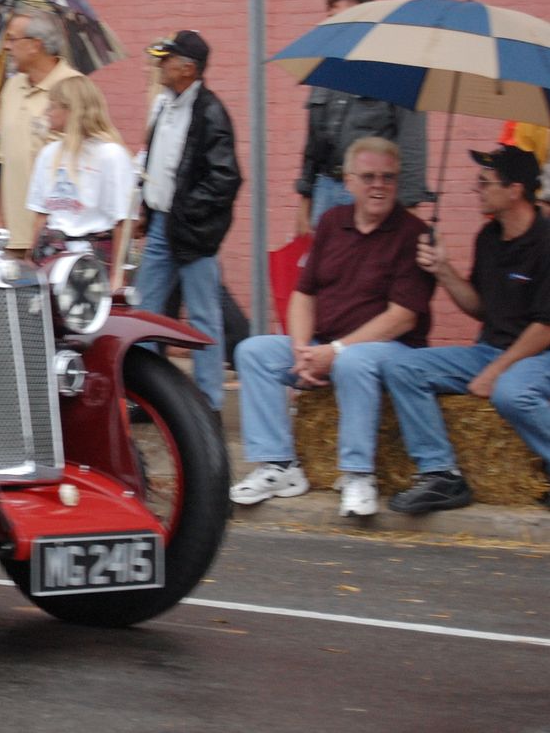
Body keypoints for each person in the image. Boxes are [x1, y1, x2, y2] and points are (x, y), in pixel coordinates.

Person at [229, 137, 436, 517]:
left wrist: (334, 351)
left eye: (388, 177)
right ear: (349, 182)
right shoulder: (331, 222)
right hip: (323, 343)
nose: (379, 185)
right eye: (369, 176)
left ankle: (358, 474)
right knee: (252, 351)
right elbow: (303, 295)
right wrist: (302, 350)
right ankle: (279, 465)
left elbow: (401, 317)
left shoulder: (413, 234)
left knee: (352, 362)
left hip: (391, 349)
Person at [381, 146, 550, 515]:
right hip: (491, 348)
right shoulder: (488, 237)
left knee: (511, 393)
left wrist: (495, 370)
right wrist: (443, 269)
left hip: (539, 354)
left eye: (485, 183)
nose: (477, 190)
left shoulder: (547, 239)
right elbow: (480, 307)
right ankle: (441, 474)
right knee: (402, 367)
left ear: (515, 190)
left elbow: (545, 327)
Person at [136, 30, 242, 415]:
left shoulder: (211, 112)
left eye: (167, 60)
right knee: (144, 312)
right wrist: (146, 208)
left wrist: (187, 212)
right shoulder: (165, 105)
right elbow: (156, 163)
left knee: (202, 316)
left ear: (188, 69)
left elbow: (225, 178)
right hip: (163, 224)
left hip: (193, 232)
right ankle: (144, 396)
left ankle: (210, 402)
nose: (160, 66)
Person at [296, 0, 430, 231]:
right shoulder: (326, 71)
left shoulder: (395, 72)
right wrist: (304, 202)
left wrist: (409, 207)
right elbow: (313, 145)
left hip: (370, 192)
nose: (334, 27)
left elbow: (412, 145)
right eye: (330, 19)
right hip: (326, 189)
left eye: (344, 19)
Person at [26, 75, 134, 292]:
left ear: (71, 110)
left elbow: (123, 221)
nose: (47, 112)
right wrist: (30, 257)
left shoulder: (111, 155)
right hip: (52, 252)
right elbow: (41, 214)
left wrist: (117, 275)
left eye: (53, 106)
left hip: (93, 253)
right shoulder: (48, 154)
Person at [0, 11, 82, 254]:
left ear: (35, 46)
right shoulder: (11, 87)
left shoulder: (74, 87)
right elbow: (7, 162)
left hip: (56, 237)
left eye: (12, 39)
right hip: (13, 238)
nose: (6, 47)